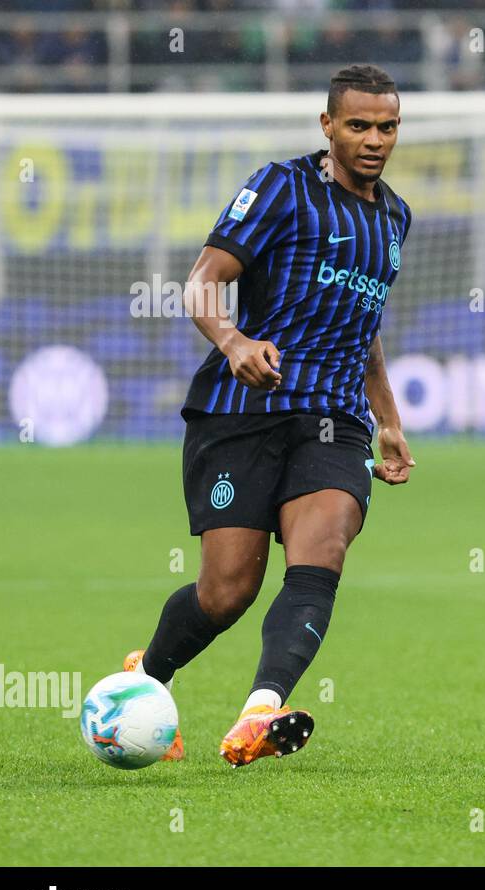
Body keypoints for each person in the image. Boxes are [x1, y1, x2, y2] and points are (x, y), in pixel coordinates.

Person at [124, 64, 415, 767]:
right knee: (227, 592)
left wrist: (388, 417)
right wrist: (233, 341)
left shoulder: (396, 216)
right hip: (243, 410)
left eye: (388, 126)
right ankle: (145, 680)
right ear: (327, 127)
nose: (374, 139)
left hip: (333, 417)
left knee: (324, 548)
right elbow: (203, 281)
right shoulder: (282, 188)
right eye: (358, 125)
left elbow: (363, 322)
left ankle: (261, 711)